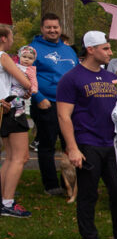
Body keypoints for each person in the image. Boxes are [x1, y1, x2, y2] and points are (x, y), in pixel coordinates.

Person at [56, 31, 117, 239]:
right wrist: (73, 147)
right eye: (105, 48)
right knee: (88, 193)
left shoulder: (110, 78)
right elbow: (63, 116)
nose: (110, 52)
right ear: (91, 49)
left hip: (113, 143)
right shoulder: (72, 78)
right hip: (87, 142)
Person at [29, 13, 78, 196]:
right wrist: (39, 97)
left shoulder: (68, 50)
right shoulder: (32, 49)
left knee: (71, 143)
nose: (52, 30)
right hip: (46, 103)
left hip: (69, 105)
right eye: (48, 27)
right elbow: (26, 76)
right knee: (47, 145)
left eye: (55, 27)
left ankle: (70, 183)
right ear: (42, 29)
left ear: (60, 28)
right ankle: (51, 185)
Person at [0, 26, 35, 217]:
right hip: (12, 108)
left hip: (4, 109)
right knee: (20, 157)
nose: (13, 41)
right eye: (12, 37)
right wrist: (29, 85)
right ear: (4, 38)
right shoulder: (3, 56)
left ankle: (4, 197)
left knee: (10, 156)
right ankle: (7, 203)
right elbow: (25, 81)